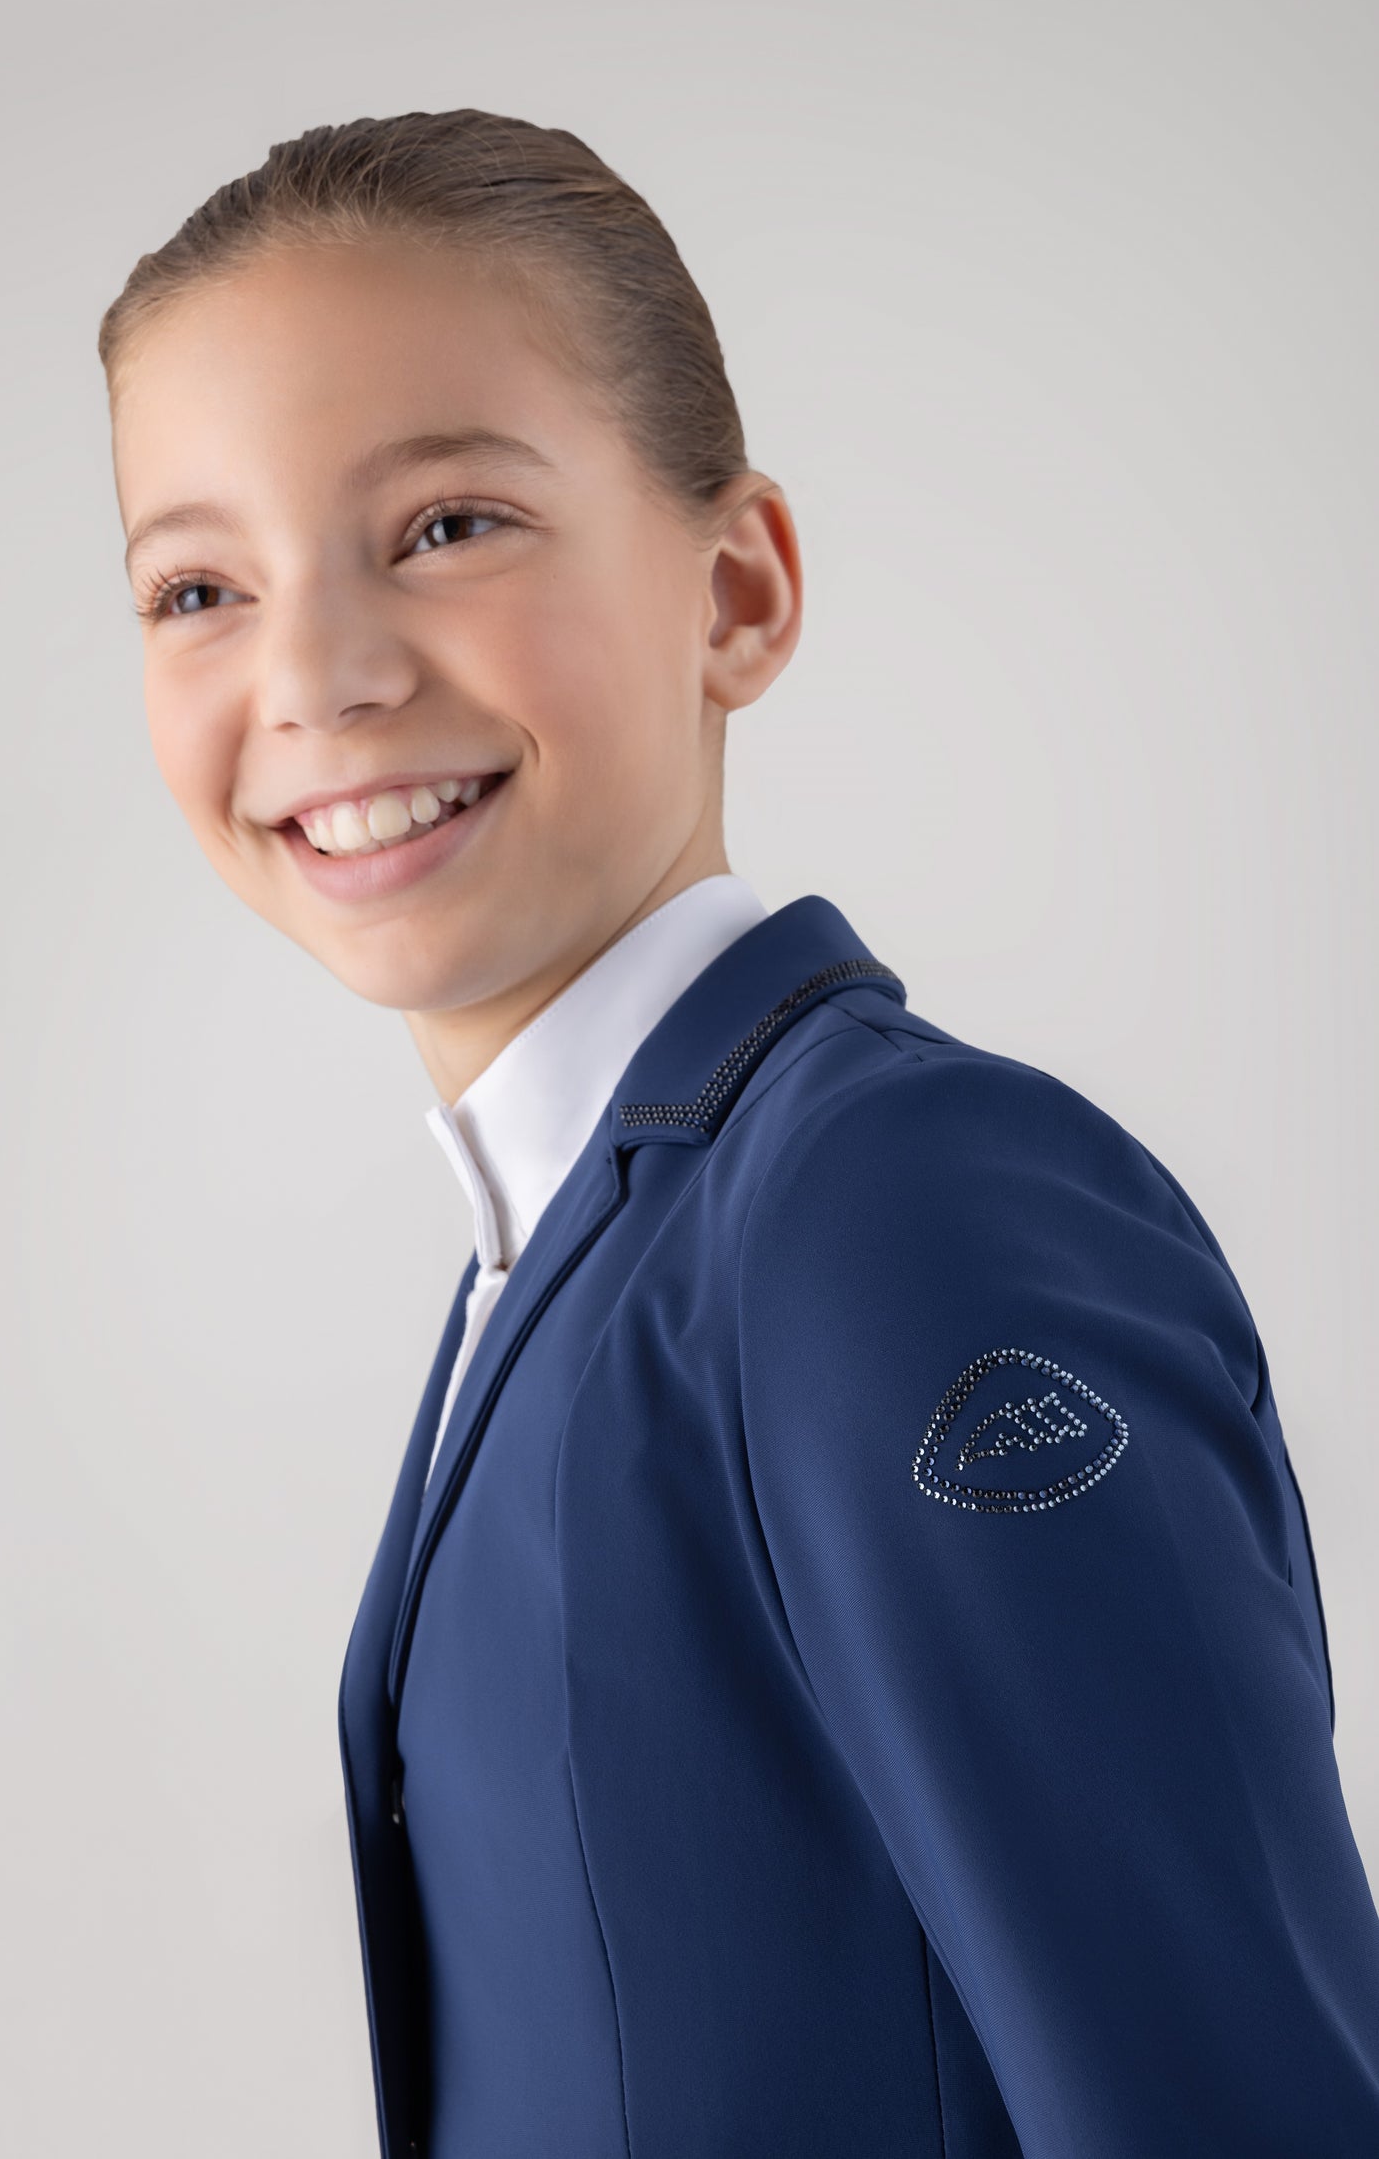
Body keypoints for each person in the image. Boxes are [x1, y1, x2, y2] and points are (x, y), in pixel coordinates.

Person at [99, 108, 1379, 2159]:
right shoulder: (556, 1245)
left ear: (740, 591)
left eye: (445, 527)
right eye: (197, 585)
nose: (316, 674)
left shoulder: (891, 1218)